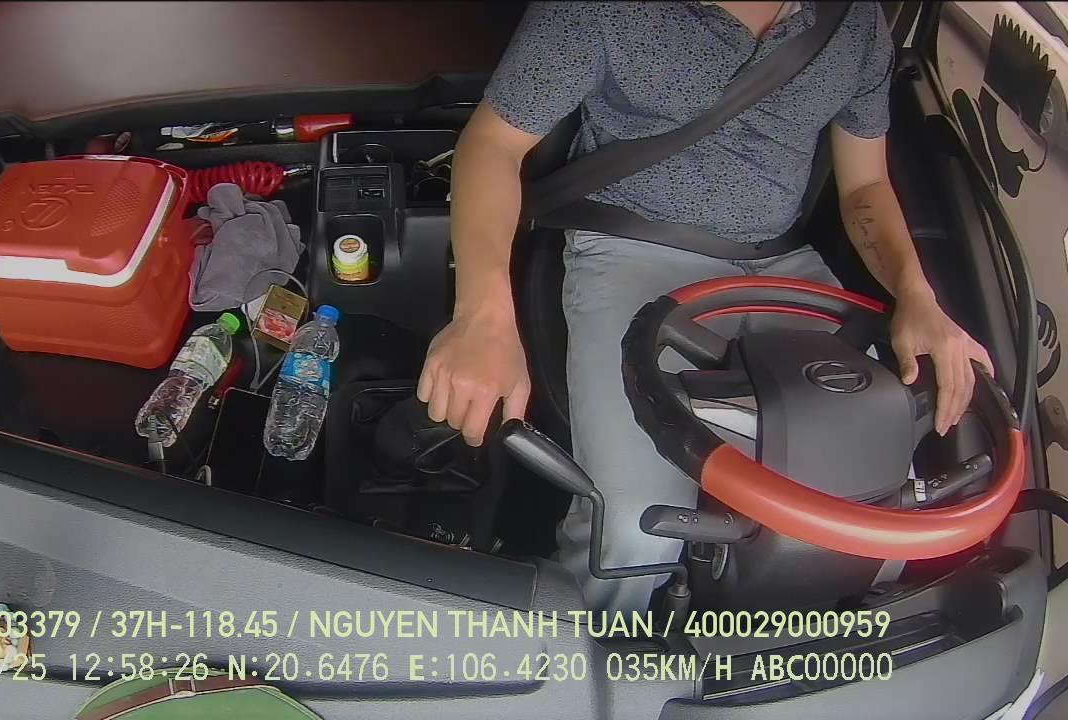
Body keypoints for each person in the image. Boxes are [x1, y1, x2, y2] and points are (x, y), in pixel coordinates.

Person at [415, 1, 994, 612]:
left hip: (783, 262)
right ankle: (594, 654)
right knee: (635, 530)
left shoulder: (853, 21)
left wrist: (918, 296)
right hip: (635, 246)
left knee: (873, 519)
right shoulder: (599, 9)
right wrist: (482, 315)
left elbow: (866, 186)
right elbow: (494, 144)